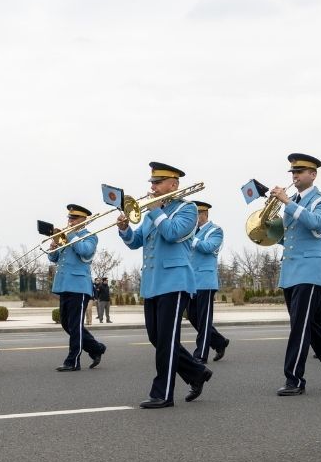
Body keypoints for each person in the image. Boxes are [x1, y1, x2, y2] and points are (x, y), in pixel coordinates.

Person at [118, 161, 211, 408]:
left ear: (174, 184)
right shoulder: (153, 211)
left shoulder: (187, 209)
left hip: (175, 281)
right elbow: (136, 241)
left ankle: (163, 393)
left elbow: (172, 234)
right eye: (152, 183)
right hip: (153, 282)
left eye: (158, 183)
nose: (153, 187)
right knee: (156, 338)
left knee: (167, 340)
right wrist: (125, 228)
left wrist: (156, 210)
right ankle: (196, 372)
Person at [271, 154, 321, 396]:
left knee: (299, 327)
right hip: (290, 271)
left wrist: (288, 202)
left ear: (313, 174)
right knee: (310, 328)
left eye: (300, 171)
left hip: (311, 271)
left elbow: (318, 225)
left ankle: (294, 379)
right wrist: (268, 230)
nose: (294, 176)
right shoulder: (293, 202)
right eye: (293, 172)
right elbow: (290, 238)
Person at [48, 204, 106, 371]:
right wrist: (54, 246)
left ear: (83, 220)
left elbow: (85, 252)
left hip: (79, 286)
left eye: (74, 218)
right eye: (69, 218)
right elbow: (54, 258)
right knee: (67, 324)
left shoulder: (90, 236)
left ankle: (73, 361)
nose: (70, 221)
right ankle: (96, 348)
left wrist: (71, 235)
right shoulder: (66, 237)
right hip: (64, 284)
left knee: (74, 325)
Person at [189, 201, 230, 362]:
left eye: (196, 215)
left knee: (204, 319)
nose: (193, 219)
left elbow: (208, 247)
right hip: (190, 282)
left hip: (205, 281)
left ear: (204, 214)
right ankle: (219, 342)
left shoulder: (215, 230)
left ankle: (201, 354)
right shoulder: (192, 231)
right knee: (194, 318)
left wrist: (191, 237)